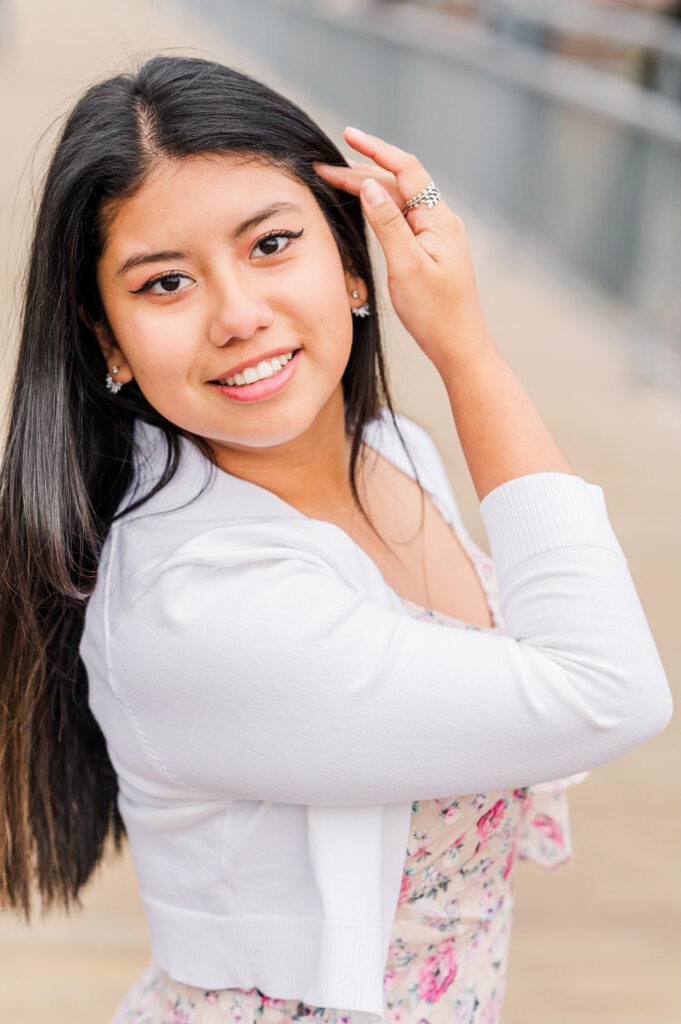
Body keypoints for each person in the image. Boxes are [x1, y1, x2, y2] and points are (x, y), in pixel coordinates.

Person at [0, 54, 672, 1024]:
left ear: (354, 263)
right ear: (107, 339)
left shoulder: (395, 450)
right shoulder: (198, 607)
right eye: (165, 284)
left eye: (271, 244)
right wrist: (467, 348)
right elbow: (608, 687)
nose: (238, 314)